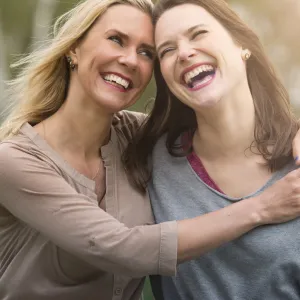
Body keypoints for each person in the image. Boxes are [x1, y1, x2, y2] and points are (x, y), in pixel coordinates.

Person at [1, 0, 300, 300]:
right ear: (73, 48)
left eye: (146, 53)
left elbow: (224, 127)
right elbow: (119, 248)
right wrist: (262, 207)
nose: (131, 60)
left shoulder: (138, 137)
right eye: (116, 39)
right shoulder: (14, 161)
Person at [124, 0, 300, 299]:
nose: (184, 53)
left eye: (198, 34)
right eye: (167, 50)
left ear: (241, 45)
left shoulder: (294, 157)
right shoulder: (146, 158)